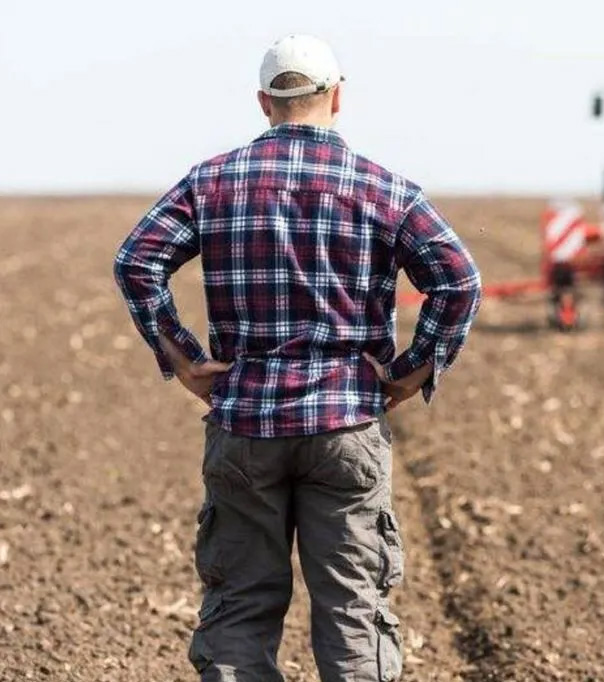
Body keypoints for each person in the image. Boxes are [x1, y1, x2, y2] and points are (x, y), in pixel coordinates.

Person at [113, 34, 482, 682]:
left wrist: (186, 360)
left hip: (244, 425)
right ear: (337, 97)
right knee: (353, 614)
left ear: (264, 102)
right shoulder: (385, 189)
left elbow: (136, 261)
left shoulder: (211, 182)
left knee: (239, 609)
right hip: (346, 425)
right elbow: (459, 281)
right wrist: (411, 373)